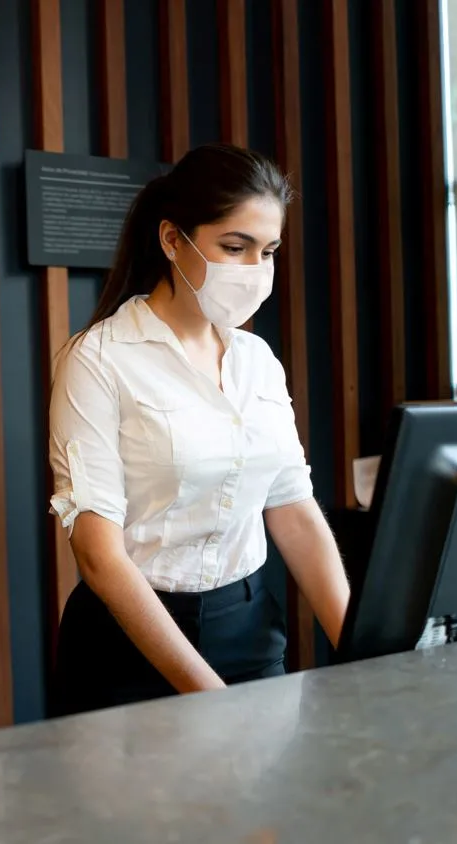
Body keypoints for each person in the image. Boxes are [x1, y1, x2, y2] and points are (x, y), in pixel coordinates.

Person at [48, 143, 350, 715]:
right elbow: (97, 555)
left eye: (269, 252)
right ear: (171, 240)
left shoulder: (257, 360)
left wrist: (368, 650)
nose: (255, 271)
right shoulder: (98, 359)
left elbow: (293, 509)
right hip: (131, 646)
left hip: (251, 629)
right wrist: (214, 702)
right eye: (234, 248)